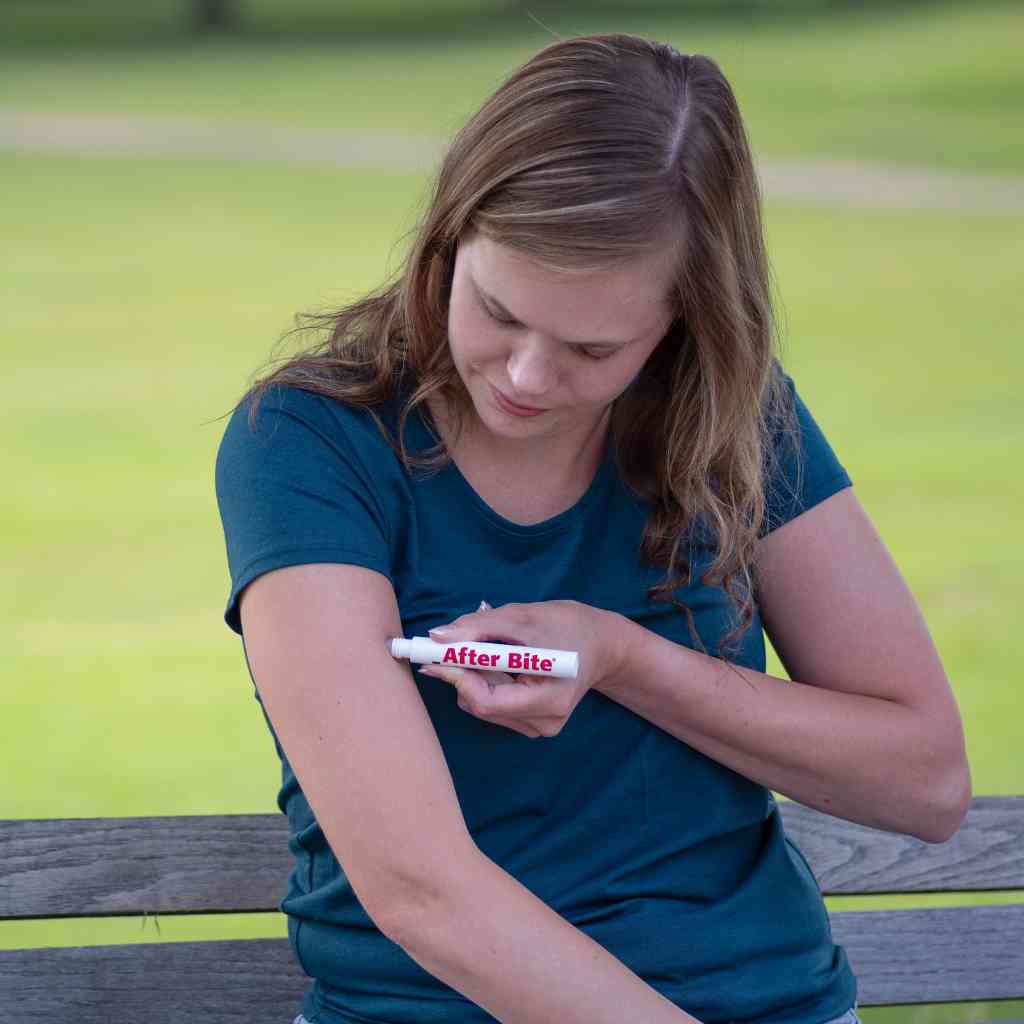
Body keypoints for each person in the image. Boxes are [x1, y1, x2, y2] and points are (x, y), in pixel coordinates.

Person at [214, 33, 970, 1024]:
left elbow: (925, 781)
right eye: (495, 309)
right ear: (449, 236)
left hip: (767, 997)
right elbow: (422, 890)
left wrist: (620, 657)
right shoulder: (312, 441)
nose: (527, 376)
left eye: (591, 346)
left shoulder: (734, 417)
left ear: (684, 323)